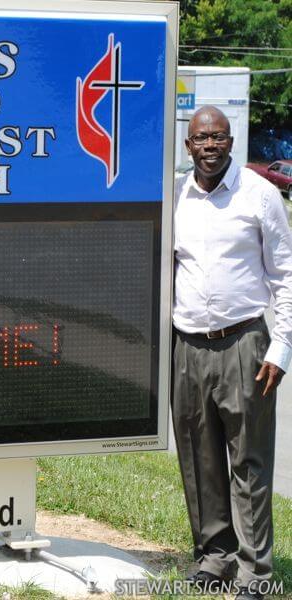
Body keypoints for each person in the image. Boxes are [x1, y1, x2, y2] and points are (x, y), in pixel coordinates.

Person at [172, 105, 292, 600]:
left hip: (246, 344)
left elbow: (285, 277)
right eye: (201, 138)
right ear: (188, 145)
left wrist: (280, 349)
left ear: (231, 141)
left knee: (250, 463)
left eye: (218, 138)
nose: (210, 146)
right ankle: (214, 557)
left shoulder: (260, 196)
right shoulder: (175, 194)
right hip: (188, 346)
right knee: (199, 462)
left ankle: (256, 574)